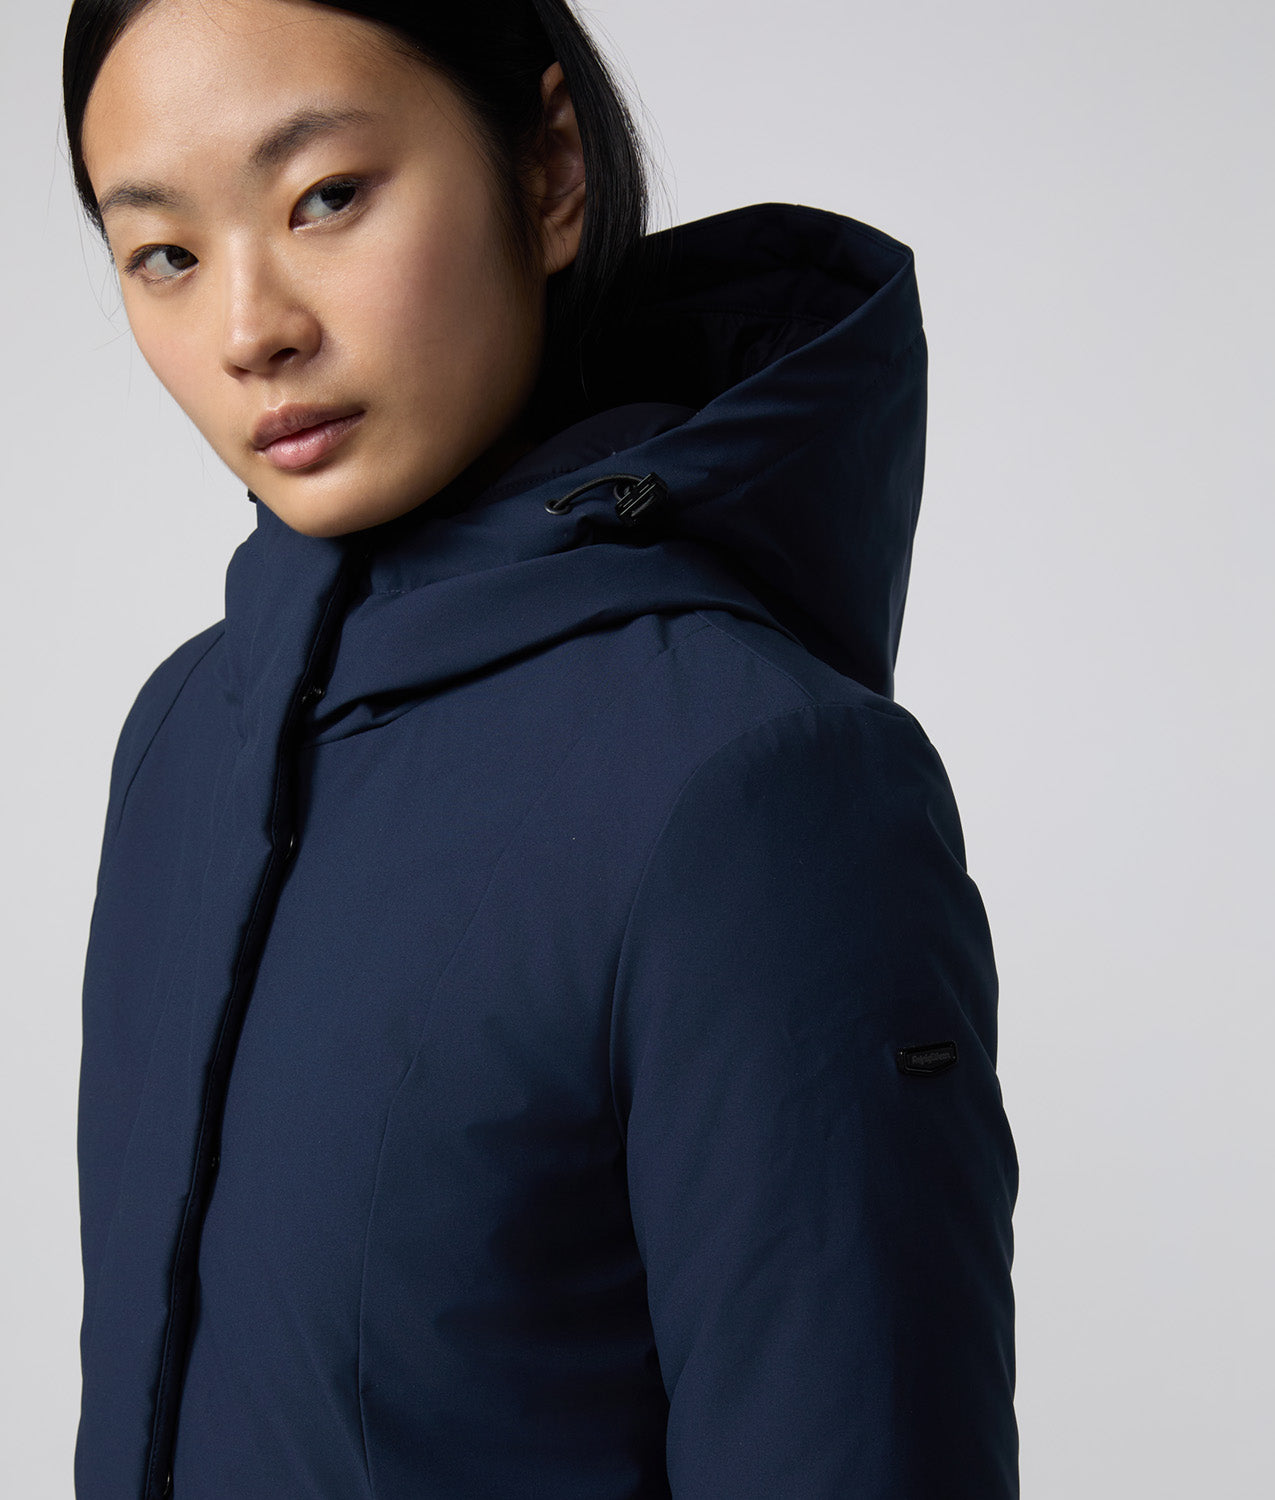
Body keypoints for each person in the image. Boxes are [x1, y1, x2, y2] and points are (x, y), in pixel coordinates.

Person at [63, 0, 1019, 1495]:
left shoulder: (758, 785)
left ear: (551, 167)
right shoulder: (185, 738)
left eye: (326, 197)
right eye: (164, 254)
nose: (250, 330)